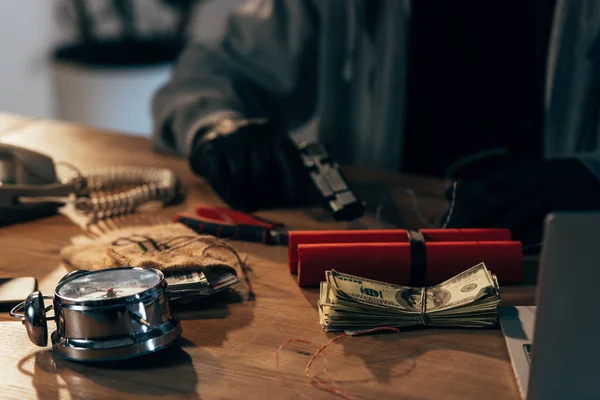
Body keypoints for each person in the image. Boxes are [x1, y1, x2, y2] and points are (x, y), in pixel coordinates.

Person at [152, 0, 600, 244]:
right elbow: (211, 74)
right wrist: (219, 127)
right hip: (380, 262)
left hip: (560, 275)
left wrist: (590, 175)